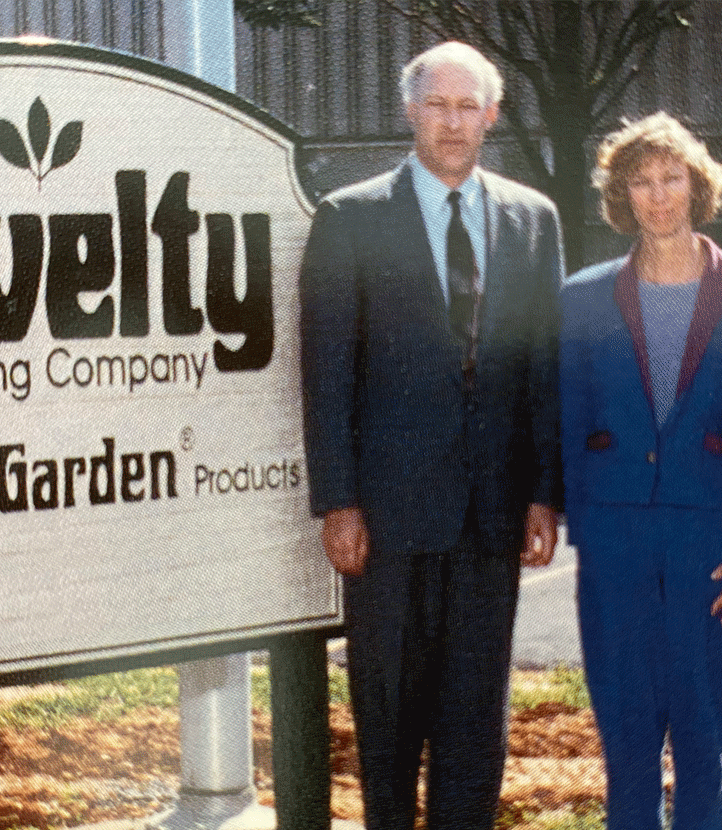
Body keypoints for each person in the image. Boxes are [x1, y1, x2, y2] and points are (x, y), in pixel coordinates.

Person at [299, 41, 561, 830]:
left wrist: (544, 493)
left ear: (493, 115)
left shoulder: (531, 220)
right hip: (388, 522)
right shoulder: (352, 217)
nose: (453, 123)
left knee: (475, 725)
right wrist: (338, 501)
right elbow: (325, 372)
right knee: (387, 721)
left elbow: (543, 368)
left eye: (467, 106)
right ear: (410, 110)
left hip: (491, 519)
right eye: (438, 105)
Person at [559, 112, 722, 830]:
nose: (658, 196)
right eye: (641, 182)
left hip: (714, 545)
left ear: (697, 185)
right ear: (623, 196)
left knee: (703, 741)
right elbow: (563, 417)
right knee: (625, 746)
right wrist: (571, 520)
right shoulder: (583, 297)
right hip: (615, 547)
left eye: (671, 178)